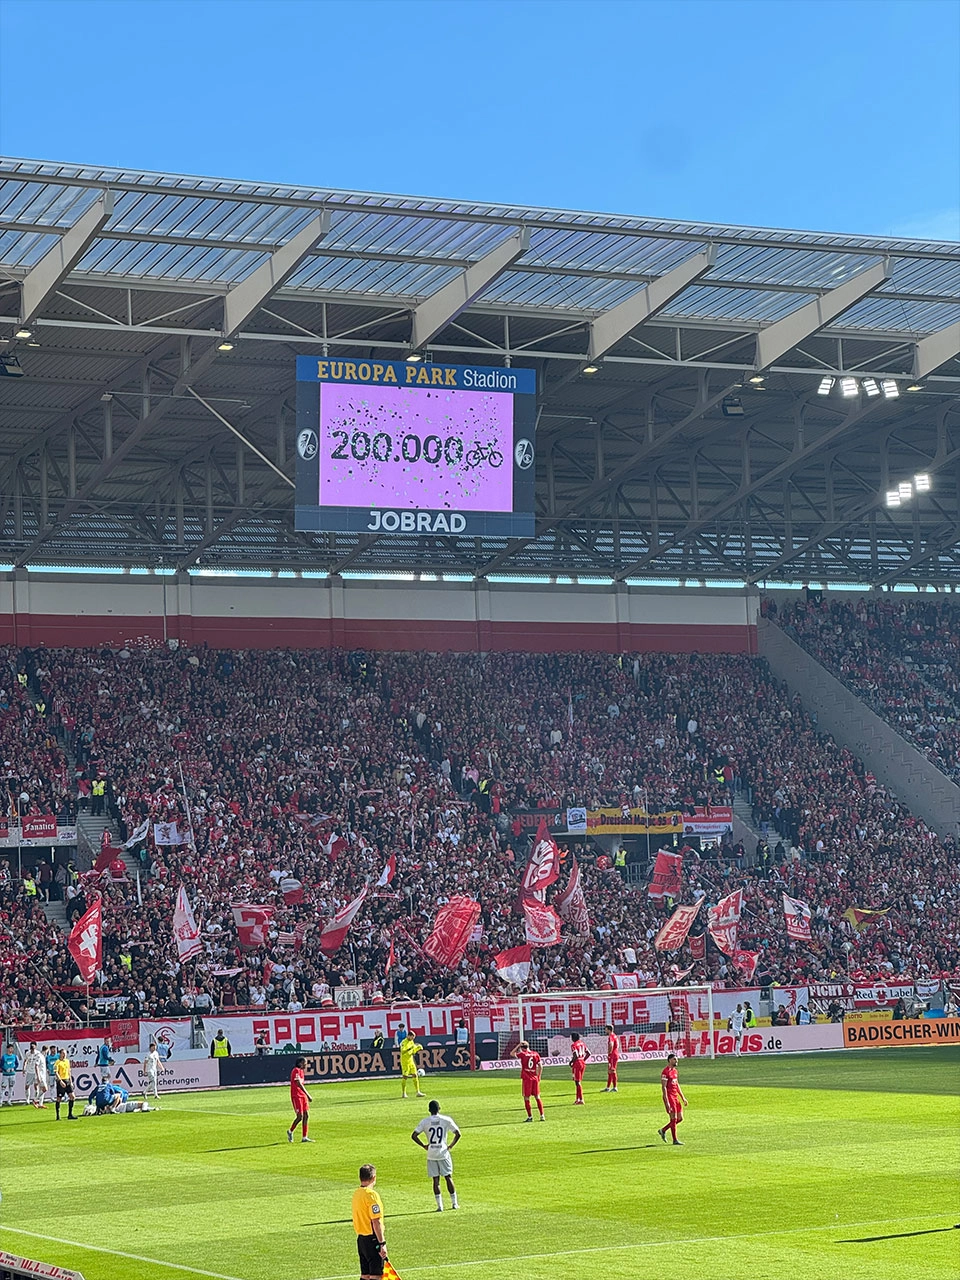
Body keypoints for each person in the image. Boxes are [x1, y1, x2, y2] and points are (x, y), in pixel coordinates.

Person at [411, 1098, 461, 1212]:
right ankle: (454, 1203)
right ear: (439, 1109)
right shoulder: (446, 1119)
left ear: (429, 1110)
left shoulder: (425, 1121)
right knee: (448, 1177)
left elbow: (414, 1135)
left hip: (431, 1153)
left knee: (435, 1180)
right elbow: (458, 1134)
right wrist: (450, 1146)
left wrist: (424, 1145)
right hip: (443, 1152)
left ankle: (440, 1206)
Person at [352, 1163, 388, 1280]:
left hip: (361, 1240)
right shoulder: (371, 1195)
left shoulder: (357, 1194)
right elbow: (376, 1221)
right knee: (376, 1276)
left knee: (365, 1275)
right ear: (374, 1178)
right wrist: (382, 1243)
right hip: (373, 1239)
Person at [658, 1052, 689, 1145]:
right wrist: (667, 1102)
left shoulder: (675, 1071)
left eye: (677, 1059)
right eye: (675, 1059)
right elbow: (663, 1087)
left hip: (675, 1097)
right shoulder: (665, 1072)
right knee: (674, 1118)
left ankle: (663, 1130)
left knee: (680, 1118)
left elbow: (677, 1084)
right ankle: (675, 1140)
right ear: (670, 1060)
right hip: (670, 1097)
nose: (676, 1061)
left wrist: (683, 1097)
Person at [515, 1039, 544, 1121]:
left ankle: (530, 1117)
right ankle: (542, 1115)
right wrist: (539, 1076)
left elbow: (512, 1053)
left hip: (527, 1079)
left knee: (526, 1098)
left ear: (522, 1048)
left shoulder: (523, 1054)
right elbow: (541, 1066)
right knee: (537, 1097)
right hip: (535, 1078)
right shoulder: (535, 1054)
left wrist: (518, 1045)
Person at [287, 1056, 313, 1143]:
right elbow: (298, 1083)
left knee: (306, 1115)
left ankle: (304, 1137)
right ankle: (290, 1131)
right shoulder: (296, 1071)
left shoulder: (301, 1072)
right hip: (296, 1095)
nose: (306, 1064)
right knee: (300, 1117)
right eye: (305, 1063)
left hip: (302, 1096)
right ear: (300, 1063)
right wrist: (308, 1094)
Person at [399, 1031, 424, 1099]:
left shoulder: (411, 1042)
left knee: (415, 1075)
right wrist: (410, 1048)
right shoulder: (404, 1042)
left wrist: (418, 1048)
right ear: (409, 1036)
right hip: (405, 1062)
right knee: (405, 1077)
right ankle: (404, 1093)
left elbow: (412, 1051)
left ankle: (418, 1092)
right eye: (412, 1037)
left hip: (411, 1060)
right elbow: (402, 1051)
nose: (413, 1039)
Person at [54, 1049, 76, 1120]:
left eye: (65, 1053)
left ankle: (70, 1114)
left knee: (72, 1096)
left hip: (67, 1080)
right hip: (61, 1081)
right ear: (60, 1054)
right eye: (63, 1053)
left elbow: (69, 1072)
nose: (64, 1055)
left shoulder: (67, 1061)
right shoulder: (57, 1062)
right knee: (59, 1098)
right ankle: (57, 1115)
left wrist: (71, 1081)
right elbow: (56, 1073)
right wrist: (60, 1081)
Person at [22, 1043, 46, 1108]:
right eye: (31, 1046)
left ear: (35, 1046)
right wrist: (24, 1068)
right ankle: (27, 1100)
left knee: (36, 1086)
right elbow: (25, 1061)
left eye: (33, 1045)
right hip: (29, 1071)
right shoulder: (27, 1053)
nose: (32, 1047)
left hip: (35, 1072)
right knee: (27, 1086)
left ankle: (37, 1100)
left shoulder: (38, 1054)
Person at [570, 1032, 590, 1105]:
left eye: (571, 1037)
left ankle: (581, 1099)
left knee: (577, 1082)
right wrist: (583, 1060)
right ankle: (577, 1099)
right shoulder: (582, 1043)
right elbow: (589, 1053)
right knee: (577, 1081)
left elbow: (575, 1055)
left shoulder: (573, 1045)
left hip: (577, 1063)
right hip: (582, 1062)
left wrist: (571, 1062)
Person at [603, 1024, 619, 1092]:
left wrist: (609, 1053)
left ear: (609, 1030)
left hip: (612, 1055)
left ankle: (615, 1087)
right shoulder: (615, 1036)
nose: (605, 1030)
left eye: (606, 1029)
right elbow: (617, 1045)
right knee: (609, 1072)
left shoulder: (611, 1036)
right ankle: (608, 1087)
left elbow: (611, 1044)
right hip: (615, 1054)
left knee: (612, 1070)